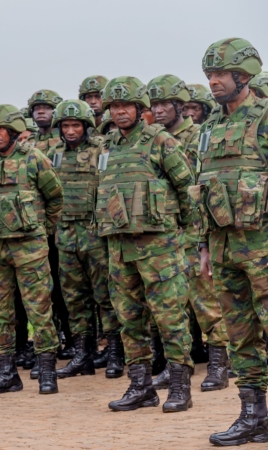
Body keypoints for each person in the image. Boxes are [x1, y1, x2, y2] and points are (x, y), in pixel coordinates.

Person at [97, 76, 196, 413]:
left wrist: (188, 236)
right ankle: (140, 387)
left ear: (140, 109)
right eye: (114, 106)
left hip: (159, 246)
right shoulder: (108, 147)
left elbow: (187, 188)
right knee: (129, 319)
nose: (120, 111)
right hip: (119, 248)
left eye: (126, 106)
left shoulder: (160, 141)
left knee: (170, 317)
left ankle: (180, 387)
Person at [188, 39, 268, 445]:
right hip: (222, 248)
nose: (213, 82)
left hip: (263, 246)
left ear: (244, 74)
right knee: (240, 333)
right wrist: (203, 246)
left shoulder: (265, 118)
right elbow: (203, 190)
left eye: (220, 74)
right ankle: (253, 416)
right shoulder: (210, 128)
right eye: (209, 76)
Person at [146, 74, 231, 392]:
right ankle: (177, 366)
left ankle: (219, 364)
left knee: (204, 301)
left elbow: (203, 182)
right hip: (162, 233)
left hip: (193, 230)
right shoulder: (151, 139)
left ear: (180, 105)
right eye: (154, 104)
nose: (160, 109)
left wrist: (202, 233)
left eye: (165, 103)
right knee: (170, 307)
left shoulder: (199, 135)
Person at [0, 105, 64, 396]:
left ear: (13, 131)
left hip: (29, 249)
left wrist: (42, 229)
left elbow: (55, 197)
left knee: (39, 309)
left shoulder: (33, 158)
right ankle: (7, 373)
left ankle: (47, 371)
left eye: (0, 129)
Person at [46, 100, 122, 380]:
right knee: (74, 297)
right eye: (65, 125)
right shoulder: (52, 154)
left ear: (87, 126)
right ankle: (82, 355)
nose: (70, 130)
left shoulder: (102, 148)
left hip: (95, 233)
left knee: (105, 295)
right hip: (65, 235)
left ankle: (115, 353)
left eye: (75, 124)